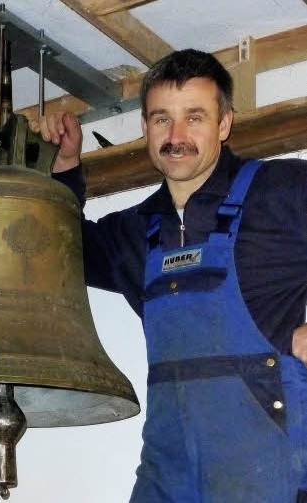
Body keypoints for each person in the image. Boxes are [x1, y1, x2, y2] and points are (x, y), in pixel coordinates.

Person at [33, 48, 307, 502]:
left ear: (224, 124)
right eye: (162, 119)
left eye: (194, 117)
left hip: (266, 476)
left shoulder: (281, 191)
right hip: (168, 475)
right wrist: (64, 169)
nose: (176, 136)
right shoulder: (137, 229)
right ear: (144, 127)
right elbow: (61, 250)